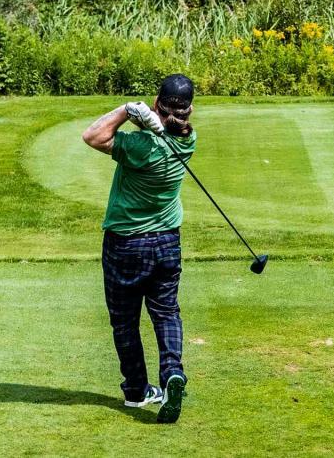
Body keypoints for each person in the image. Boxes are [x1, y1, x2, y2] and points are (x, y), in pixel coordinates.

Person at [81, 73, 197, 424]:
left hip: (126, 245)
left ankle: (136, 390)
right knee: (166, 312)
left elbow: (93, 136)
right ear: (189, 110)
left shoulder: (139, 147)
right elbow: (168, 129)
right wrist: (151, 123)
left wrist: (128, 110)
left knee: (125, 321)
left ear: (157, 103)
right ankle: (172, 374)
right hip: (167, 243)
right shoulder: (189, 141)